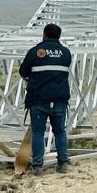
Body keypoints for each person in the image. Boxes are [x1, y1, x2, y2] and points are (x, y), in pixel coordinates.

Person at [19, 23, 73, 176]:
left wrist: (34, 79)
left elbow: (23, 72)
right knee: (60, 131)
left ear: (45, 34)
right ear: (59, 36)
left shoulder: (35, 52)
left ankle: (38, 167)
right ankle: (63, 164)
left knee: (38, 133)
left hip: (38, 100)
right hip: (59, 100)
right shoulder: (66, 53)